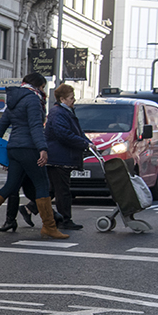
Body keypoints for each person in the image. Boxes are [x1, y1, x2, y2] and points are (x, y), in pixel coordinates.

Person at [0, 72, 66, 239]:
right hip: (29, 148)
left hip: (14, 148)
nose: (43, 91)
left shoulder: (14, 100)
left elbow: (1, 126)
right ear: (38, 86)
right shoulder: (33, 99)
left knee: (11, 186)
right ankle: (49, 227)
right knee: (42, 185)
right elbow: (35, 126)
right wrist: (42, 148)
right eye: (43, 87)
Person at [45, 83, 94, 231]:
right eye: (71, 98)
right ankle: (65, 220)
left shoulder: (65, 112)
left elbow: (77, 132)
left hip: (59, 156)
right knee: (63, 191)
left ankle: (31, 209)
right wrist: (84, 144)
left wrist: (88, 143)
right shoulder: (58, 113)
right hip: (59, 158)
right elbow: (64, 134)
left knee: (54, 189)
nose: (74, 100)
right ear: (62, 99)